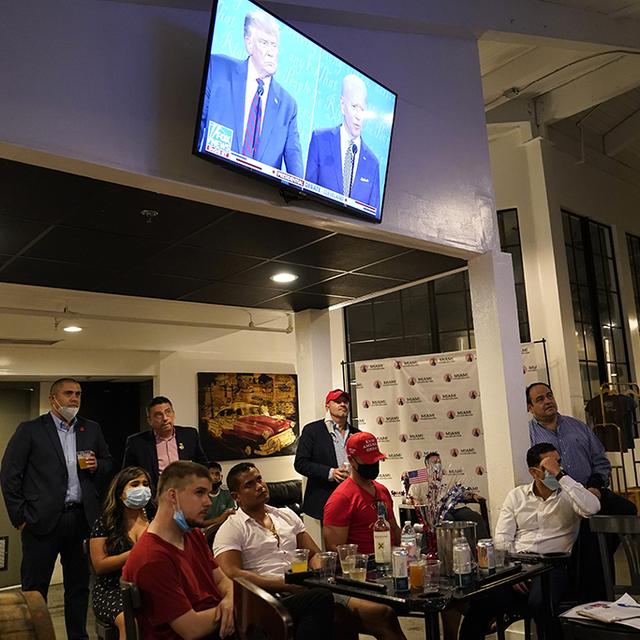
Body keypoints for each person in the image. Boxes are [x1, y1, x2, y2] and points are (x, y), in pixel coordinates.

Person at [214, 462, 407, 640]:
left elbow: (315, 554)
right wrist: (285, 584)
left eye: (259, 479)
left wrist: (316, 570)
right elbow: (232, 573)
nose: (260, 486)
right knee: (332, 608)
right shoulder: (232, 527)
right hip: (267, 599)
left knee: (384, 613)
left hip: (306, 586)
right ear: (235, 496)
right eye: (249, 484)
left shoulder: (286, 515)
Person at [0, 377, 113, 640]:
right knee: (35, 588)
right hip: (41, 521)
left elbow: (109, 463)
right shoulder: (30, 430)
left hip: (81, 519)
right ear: (53, 399)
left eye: (78, 394)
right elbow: (9, 475)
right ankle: (34, 635)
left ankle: (77, 636)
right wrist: (20, 517)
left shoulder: (91, 429)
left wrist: (99, 465)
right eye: (69, 393)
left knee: (78, 586)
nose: (74, 398)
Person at [458, 443, 600, 640]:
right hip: (518, 565)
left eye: (558, 463)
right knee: (480, 601)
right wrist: (512, 570)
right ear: (534, 472)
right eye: (548, 466)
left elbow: (592, 508)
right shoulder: (517, 496)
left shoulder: (571, 494)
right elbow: (502, 539)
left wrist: (561, 475)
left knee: (540, 603)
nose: (555, 468)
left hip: (552, 566)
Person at [527, 381, 637, 599]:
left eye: (549, 395)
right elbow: (534, 473)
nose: (548, 401)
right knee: (588, 534)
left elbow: (600, 461)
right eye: (540, 399)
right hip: (560, 497)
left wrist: (595, 486)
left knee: (626, 509)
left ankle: (602, 564)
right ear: (529, 407)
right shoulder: (528, 436)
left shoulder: (578, 427)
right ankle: (592, 595)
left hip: (591, 490)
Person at [122, 460, 234, 639]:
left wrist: (229, 600)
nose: (208, 502)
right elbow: (192, 629)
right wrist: (237, 609)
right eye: (200, 493)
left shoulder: (193, 534)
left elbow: (222, 581)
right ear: (173, 496)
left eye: (208, 493)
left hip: (216, 628)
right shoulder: (152, 558)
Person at [197, 10, 303, 177]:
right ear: (249, 44)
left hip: (258, 197)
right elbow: (197, 126)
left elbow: (295, 168)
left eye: (274, 45)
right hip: (212, 180)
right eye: (264, 43)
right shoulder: (217, 70)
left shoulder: (288, 106)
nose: (271, 52)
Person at [90, 466, 152, 638]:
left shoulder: (154, 519)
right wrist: (135, 553)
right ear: (120, 492)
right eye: (135, 484)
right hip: (113, 590)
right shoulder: (105, 523)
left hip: (149, 587)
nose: (142, 489)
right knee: (129, 621)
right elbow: (99, 565)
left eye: (145, 484)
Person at [305, 75, 380, 209]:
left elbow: (373, 214)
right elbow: (306, 195)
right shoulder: (320, 140)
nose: (358, 116)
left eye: (362, 109)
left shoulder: (372, 163)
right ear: (342, 105)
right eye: (354, 106)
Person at [323, 432, 400, 554]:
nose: (373, 465)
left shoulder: (382, 490)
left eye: (376, 460)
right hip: (364, 569)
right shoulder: (341, 498)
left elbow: (394, 530)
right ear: (351, 460)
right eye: (368, 461)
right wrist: (365, 562)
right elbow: (335, 548)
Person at [294, 389, 359, 525]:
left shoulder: (357, 434)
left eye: (345, 401)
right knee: (331, 545)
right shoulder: (312, 431)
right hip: (325, 499)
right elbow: (300, 463)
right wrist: (330, 473)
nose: (343, 404)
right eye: (337, 401)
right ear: (327, 405)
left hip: (353, 499)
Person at [122, 395, 208, 494]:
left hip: (186, 494)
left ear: (174, 414)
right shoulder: (137, 442)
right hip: (156, 498)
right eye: (159, 415)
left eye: (168, 412)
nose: (165, 418)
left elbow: (203, 465)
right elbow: (128, 475)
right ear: (149, 420)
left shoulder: (190, 435)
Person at [408, 451, 490, 539]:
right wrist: (416, 503)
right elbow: (411, 498)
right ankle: (451, 549)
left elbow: (458, 492)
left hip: (454, 508)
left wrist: (473, 496)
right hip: (435, 513)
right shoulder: (419, 481)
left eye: (439, 462)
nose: (438, 464)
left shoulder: (446, 478)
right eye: (435, 462)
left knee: (474, 516)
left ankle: (483, 546)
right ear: (427, 465)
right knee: (448, 520)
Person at [202, 461, 235, 529]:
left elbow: (232, 515)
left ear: (221, 477)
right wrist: (218, 520)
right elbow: (198, 523)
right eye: (211, 474)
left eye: (217, 474)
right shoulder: (200, 495)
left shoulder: (227, 492)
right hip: (206, 532)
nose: (214, 477)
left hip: (225, 528)